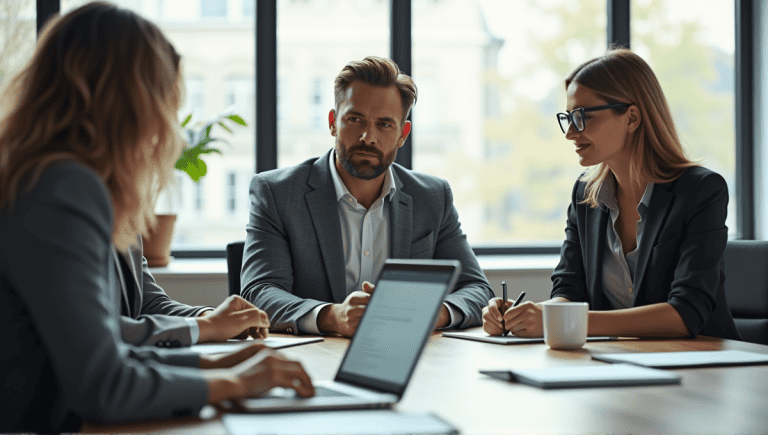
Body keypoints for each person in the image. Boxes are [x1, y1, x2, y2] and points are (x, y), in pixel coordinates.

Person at [0, 3, 313, 432]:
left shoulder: (59, 177)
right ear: (129, 100)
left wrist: (208, 361)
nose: (168, 124)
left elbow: (105, 341)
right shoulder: (64, 186)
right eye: (164, 97)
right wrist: (233, 381)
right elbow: (105, 386)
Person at [482, 48, 741, 340]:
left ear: (631, 118)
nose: (570, 133)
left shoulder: (700, 190)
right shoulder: (585, 194)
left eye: (582, 116)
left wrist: (566, 322)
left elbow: (685, 313)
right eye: (568, 117)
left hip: (705, 367)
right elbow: (569, 291)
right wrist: (524, 317)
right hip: (620, 362)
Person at [242, 56, 493, 337]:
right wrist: (332, 317)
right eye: (355, 119)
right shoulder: (277, 193)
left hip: (402, 357)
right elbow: (258, 292)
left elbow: (477, 289)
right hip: (311, 360)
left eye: (384, 124)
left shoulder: (432, 197)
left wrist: (434, 313)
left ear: (403, 134)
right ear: (333, 122)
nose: (367, 137)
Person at [117, 237, 269, 348]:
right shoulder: (96, 212)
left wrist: (212, 317)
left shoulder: (124, 215)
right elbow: (99, 330)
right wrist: (208, 326)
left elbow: (149, 303)